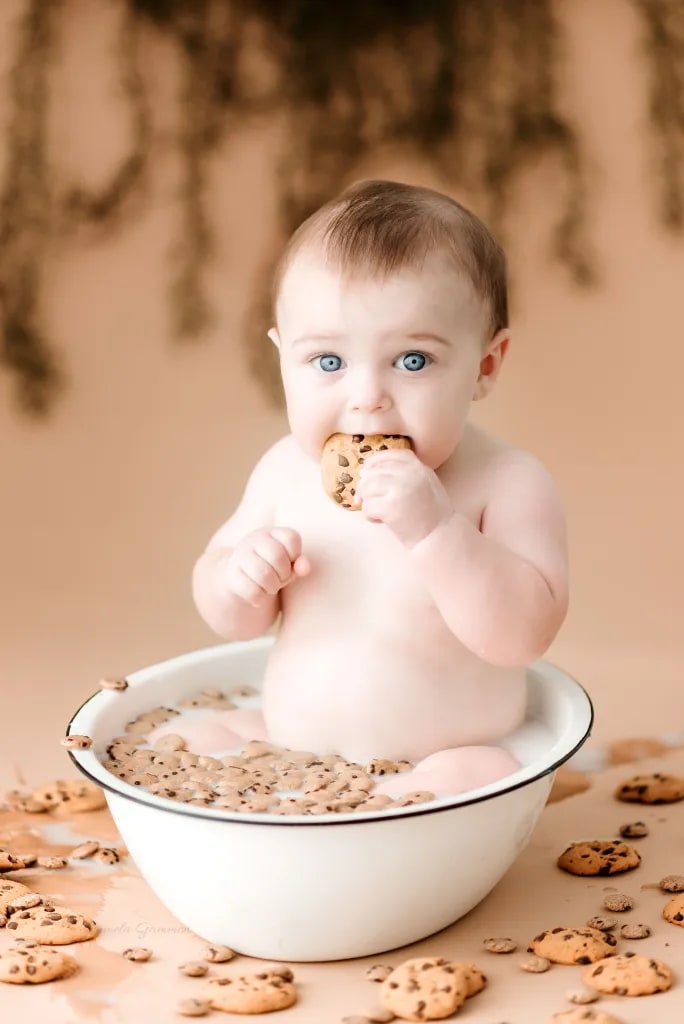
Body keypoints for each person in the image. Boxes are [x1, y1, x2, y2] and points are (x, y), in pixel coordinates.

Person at [188, 179, 569, 797]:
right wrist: (239, 577)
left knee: (482, 779)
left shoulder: (507, 481)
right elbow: (228, 617)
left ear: (484, 366)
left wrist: (437, 531)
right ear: (283, 358)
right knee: (192, 743)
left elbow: (523, 636)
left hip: (450, 755)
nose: (367, 397)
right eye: (329, 362)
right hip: (296, 747)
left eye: (413, 360)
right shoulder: (285, 470)